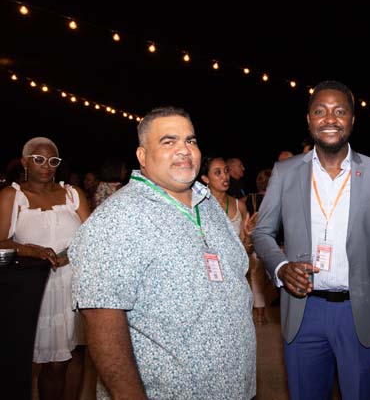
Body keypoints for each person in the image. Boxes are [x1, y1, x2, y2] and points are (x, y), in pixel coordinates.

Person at [70, 106, 256, 399]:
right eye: (169, 141)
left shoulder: (209, 205)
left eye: (190, 140)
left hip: (236, 389)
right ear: (142, 156)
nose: (184, 149)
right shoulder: (117, 219)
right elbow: (101, 320)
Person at [252, 80, 370, 400]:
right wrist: (280, 268)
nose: (330, 119)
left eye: (340, 111)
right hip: (303, 310)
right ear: (309, 119)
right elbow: (262, 232)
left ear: (352, 119)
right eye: (320, 111)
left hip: (359, 313)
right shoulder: (285, 172)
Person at [0, 137, 91, 400]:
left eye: (53, 161)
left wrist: (70, 254)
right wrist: (30, 250)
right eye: (39, 159)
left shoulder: (73, 194)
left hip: (73, 286)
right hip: (34, 289)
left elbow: (92, 237)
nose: (46, 166)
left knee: (70, 358)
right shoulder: (12, 196)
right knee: (36, 362)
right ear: (25, 161)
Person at [200, 156, 265, 324]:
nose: (225, 176)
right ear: (205, 178)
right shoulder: (198, 208)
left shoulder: (239, 206)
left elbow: (246, 252)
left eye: (226, 171)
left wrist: (248, 235)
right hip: (209, 283)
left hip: (236, 279)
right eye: (218, 172)